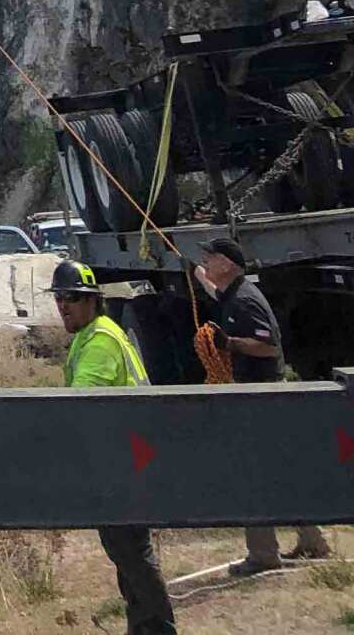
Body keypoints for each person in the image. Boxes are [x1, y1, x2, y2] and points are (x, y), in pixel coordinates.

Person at [52, 261, 178, 635]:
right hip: (119, 459)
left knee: (132, 555)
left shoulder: (101, 340)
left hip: (124, 463)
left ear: (92, 300)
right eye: (59, 298)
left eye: (71, 298)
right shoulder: (89, 336)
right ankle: (141, 626)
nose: (63, 305)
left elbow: (79, 404)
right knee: (126, 555)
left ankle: (158, 629)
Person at [195, 234, 332, 576]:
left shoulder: (244, 300)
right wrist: (198, 276)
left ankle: (262, 555)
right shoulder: (232, 293)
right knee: (281, 473)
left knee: (251, 476)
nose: (207, 263)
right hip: (259, 395)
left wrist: (230, 344)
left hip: (261, 396)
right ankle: (312, 541)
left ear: (227, 264)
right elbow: (217, 293)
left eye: (210, 259)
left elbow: (268, 346)